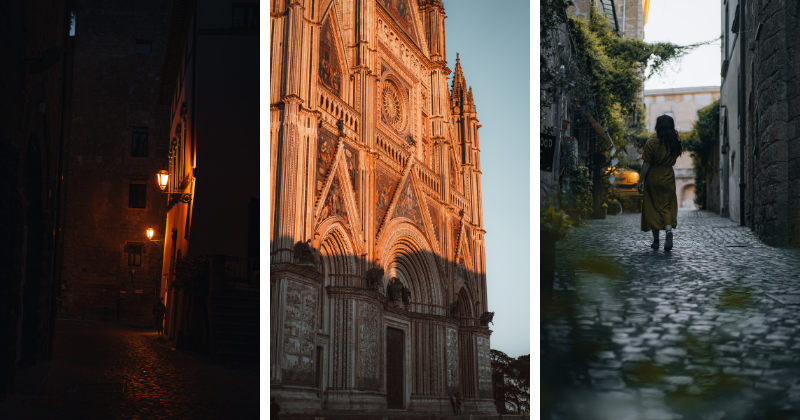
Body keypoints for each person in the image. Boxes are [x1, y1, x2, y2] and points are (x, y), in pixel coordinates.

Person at [638, 114, 682, 251]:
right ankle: (668, 232)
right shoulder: (676, 143)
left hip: (653, 177)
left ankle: (656, 241)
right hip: (668, 175)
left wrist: (640, 180)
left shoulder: (651, 142)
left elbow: (646, 164)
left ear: (658, 126)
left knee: (652, 206)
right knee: (667, 206)